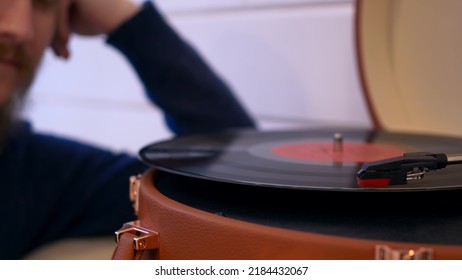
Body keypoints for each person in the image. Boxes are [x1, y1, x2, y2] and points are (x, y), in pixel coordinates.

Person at [0, 0, 256, 259]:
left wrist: (126, 20)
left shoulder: (35, 175)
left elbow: (231, 183)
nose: (22, 29)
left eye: (44, 4)